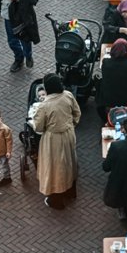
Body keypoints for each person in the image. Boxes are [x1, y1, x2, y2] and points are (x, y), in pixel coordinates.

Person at [34, 73, 81, 210]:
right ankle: (71, 192)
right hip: (68, 134)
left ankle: (56, 200)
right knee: (69, 163)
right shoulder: (68, 95)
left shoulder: (44, 105)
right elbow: (77, 113)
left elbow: (38, 127)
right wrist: (70, 125)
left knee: (55, 168)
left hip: (53, 139)